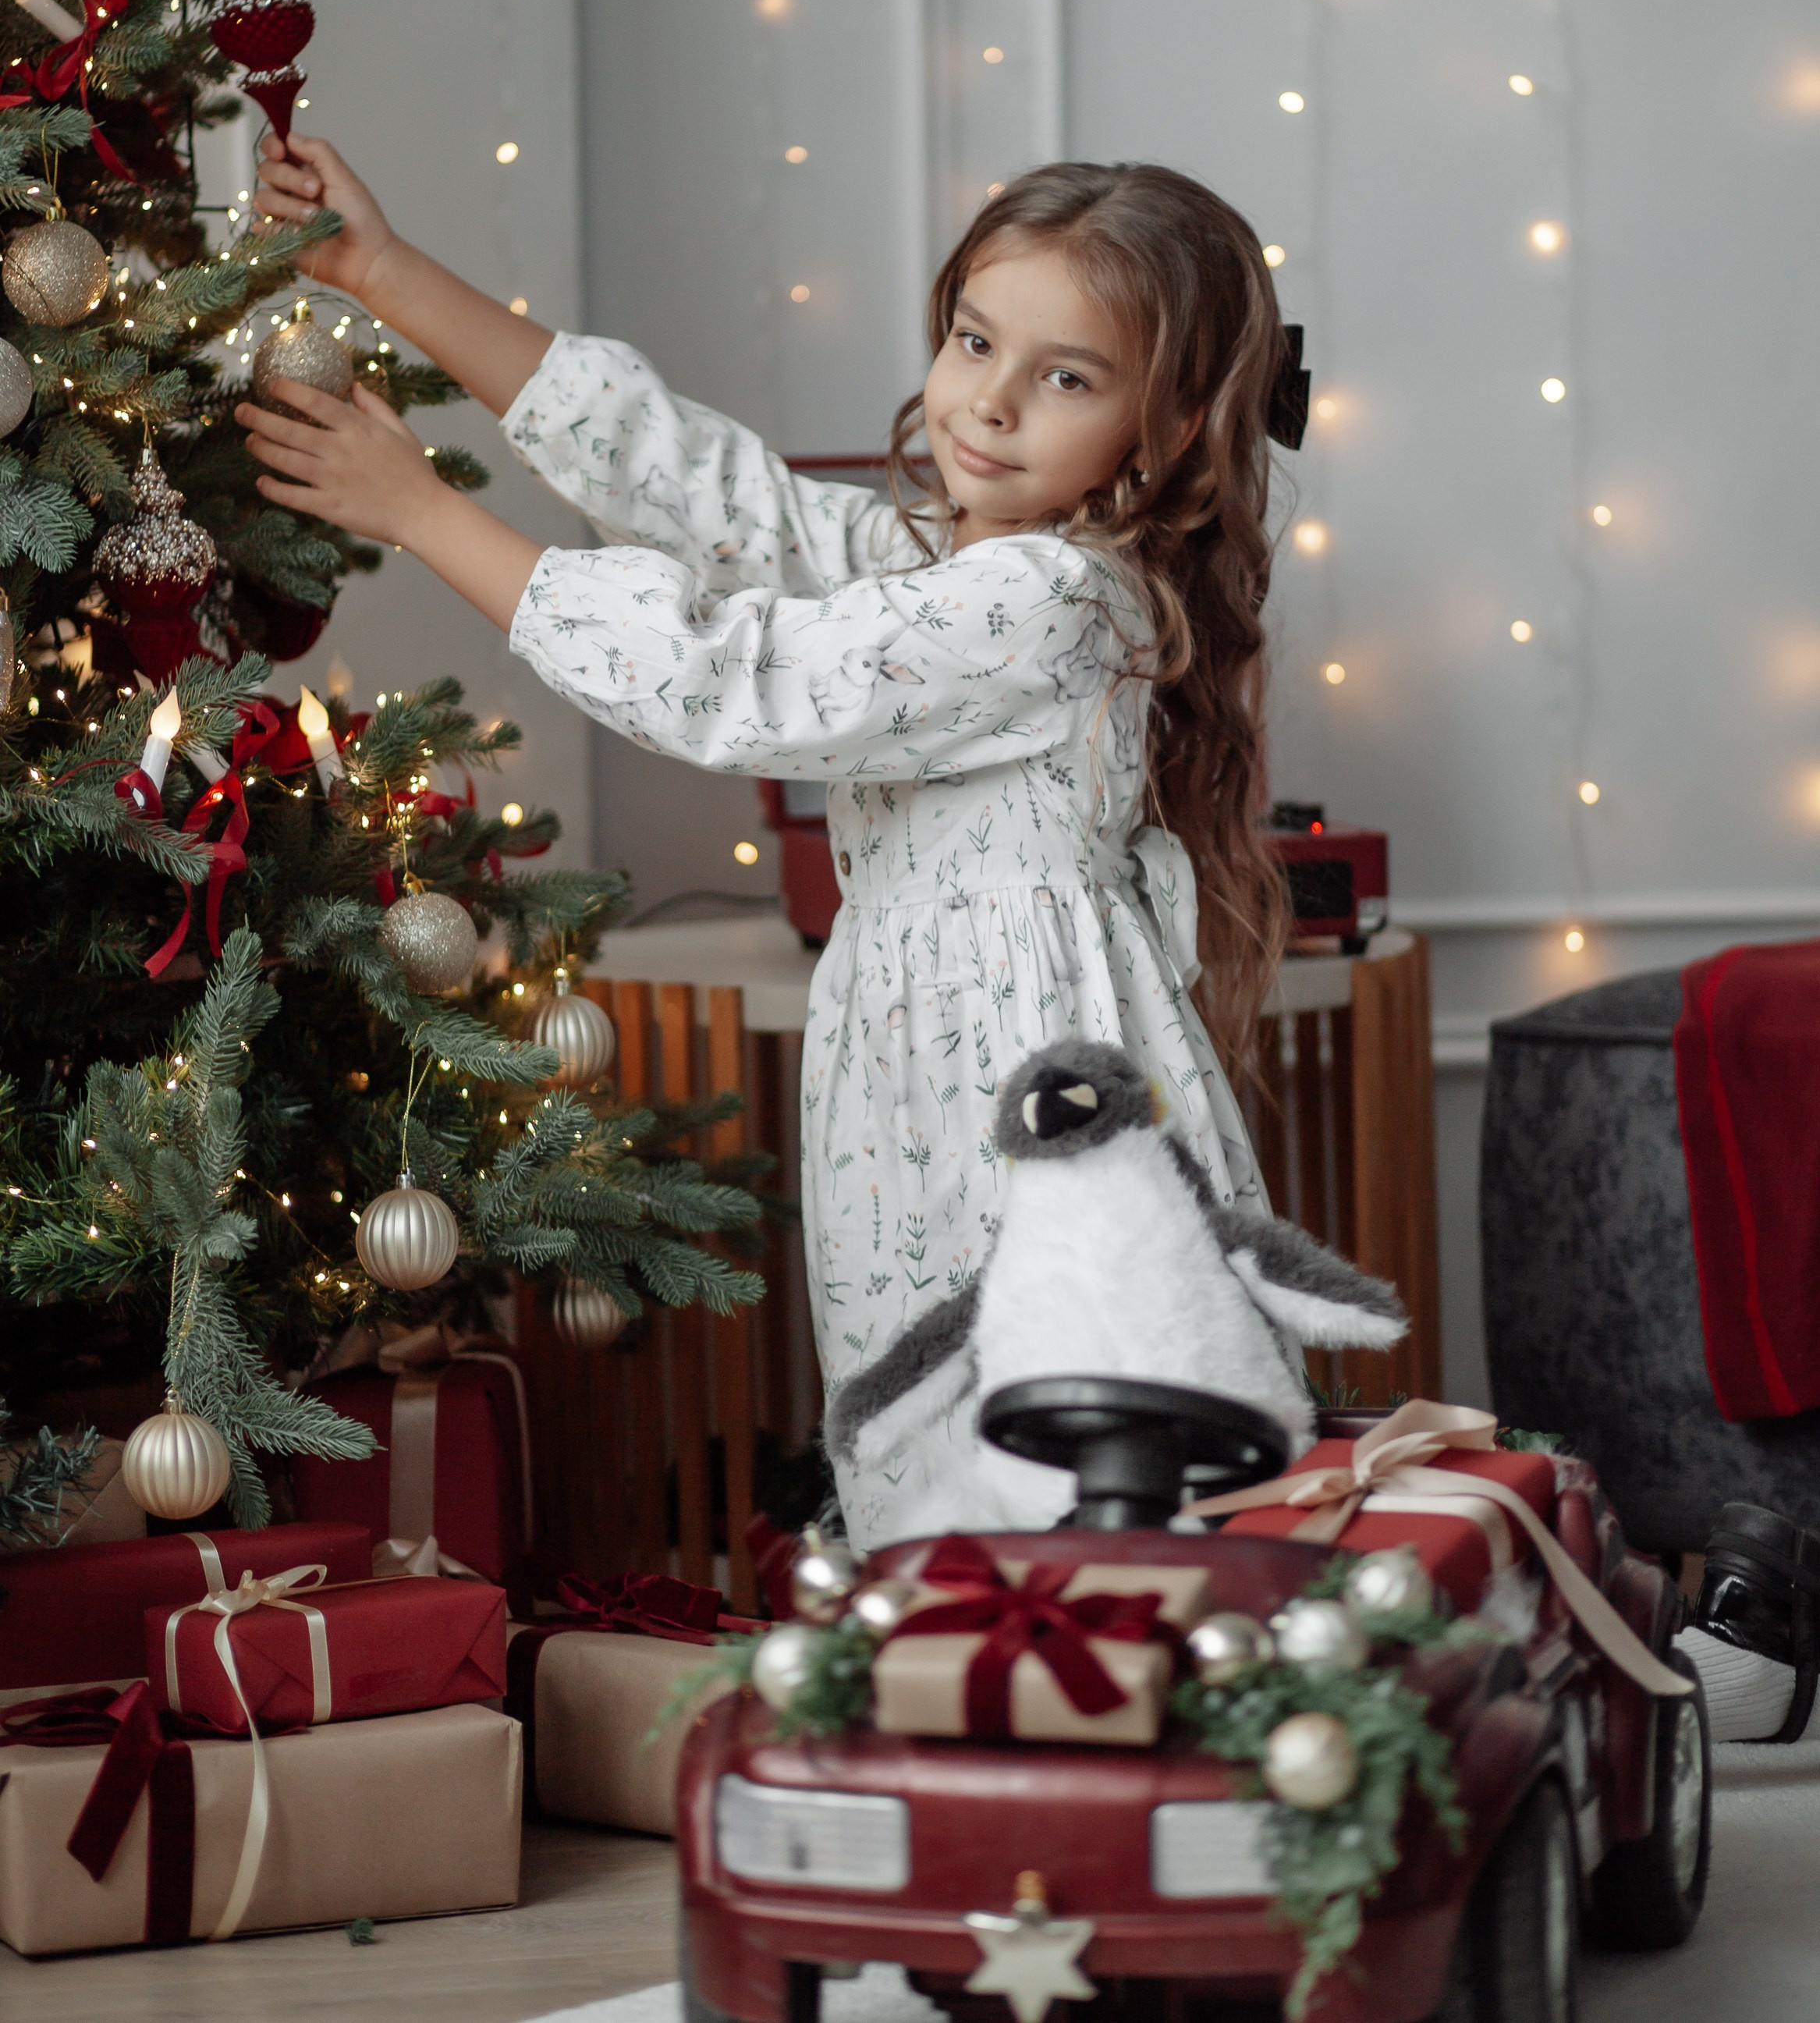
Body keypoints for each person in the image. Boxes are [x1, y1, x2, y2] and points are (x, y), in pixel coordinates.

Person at [242, 142, 1298, 1542]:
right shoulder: (958, 562)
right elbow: (720, 497)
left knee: (1057, 1466)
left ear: (1162, 430)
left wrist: (424, 512)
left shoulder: (1048, 597)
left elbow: (733, 682)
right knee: (951, 1462)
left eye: (1066, 375)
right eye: (975, 340)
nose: (986, 399)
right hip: (926, 1080)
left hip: (1015, 1099)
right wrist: (386, 272)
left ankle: (1100, 1715)